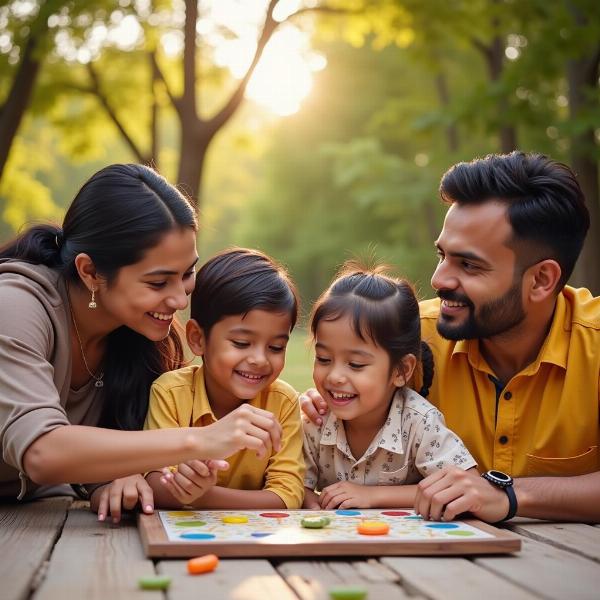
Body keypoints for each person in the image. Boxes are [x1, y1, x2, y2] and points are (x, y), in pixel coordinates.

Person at [302, 152, 600, 524]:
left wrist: (509, 495)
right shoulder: (408, 338)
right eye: (442, 255)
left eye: (469, 264)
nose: (439, 279)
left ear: (541, 280)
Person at [0, 165, 281, 523]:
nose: (180, 299)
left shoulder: (140, 330)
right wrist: (200, 440)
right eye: (158, 282)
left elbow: (127, 445)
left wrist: (115, 480)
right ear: (90, 272)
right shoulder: (15, 305)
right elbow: (42, 452)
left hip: (43, 515)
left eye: (187, 273)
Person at [302, 262, 477, 510]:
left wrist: (372, 496)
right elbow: (294, 483)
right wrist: (310, 503)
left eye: (355, 364)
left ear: (401, 370)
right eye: (324, 359)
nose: (335, 376)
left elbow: (466, 484)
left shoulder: (419, 422)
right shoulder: (315, 420)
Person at [144, 248, 305, 510]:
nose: (260, 359)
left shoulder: (282, 402)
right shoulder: (171, 393)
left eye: (276, 347)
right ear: (197, 338)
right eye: (242, 343)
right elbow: (153, 480)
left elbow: (287, 496)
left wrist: (200, 495)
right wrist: (183, 486)